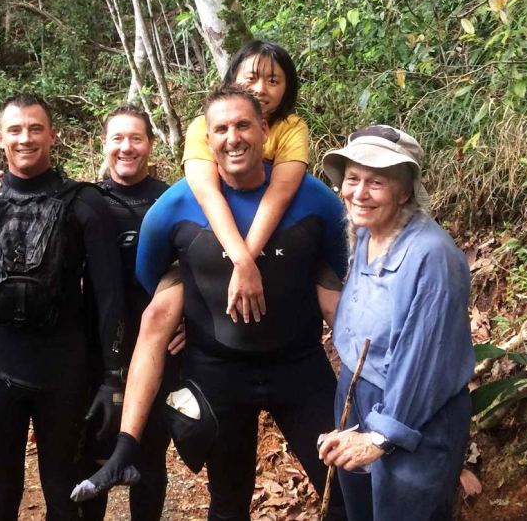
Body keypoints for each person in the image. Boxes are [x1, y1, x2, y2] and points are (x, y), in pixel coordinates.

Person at [75, 85, 349, 520]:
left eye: (243, 125)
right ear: (207, 139)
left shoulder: (315, 199)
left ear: (264, 130)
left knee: (346, 493)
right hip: (218, 373)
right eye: (220, 128)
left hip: (301, 367)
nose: (233, 137)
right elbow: (152, 281)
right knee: (227, 502)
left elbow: (337, 276)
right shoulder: (175, 205)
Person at [0, 93, 128, 520]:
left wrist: (113, 379)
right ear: (0, 139)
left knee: (65, 493)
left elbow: (110, 297)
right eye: (16, 130)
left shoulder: (85, 204)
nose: (26, 138)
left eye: (36, 128)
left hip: (64, 372)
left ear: (52, 135)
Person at [317, 125, 475, 521]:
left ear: (404, 191)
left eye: (377, 182)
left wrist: (383, 435)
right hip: (360, 396)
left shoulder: (432, 256)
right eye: (353, 179)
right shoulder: (368, 235)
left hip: (412, 411)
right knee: (362, 510)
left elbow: (426, 361)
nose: (359, 192)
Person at [81, 105, 179, 521]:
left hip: (160, 350)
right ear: (103, 144)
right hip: (96, 352)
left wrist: (188, 321)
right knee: (93, 454)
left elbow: (201, 266)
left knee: (150, 457)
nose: (127, 147)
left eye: (136, 138)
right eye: (117, 138)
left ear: (150, 145)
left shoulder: (173, 199)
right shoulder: (85, 201)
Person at [183, 40, 311, 322]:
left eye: (273, 80)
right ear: (233, 78)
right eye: (251, 78)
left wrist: (243, 263)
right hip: (210, 235)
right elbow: (206, 192)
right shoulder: (204, 126)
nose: (261, 89)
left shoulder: (291, 127)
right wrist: (243, 261)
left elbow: (280, 192)